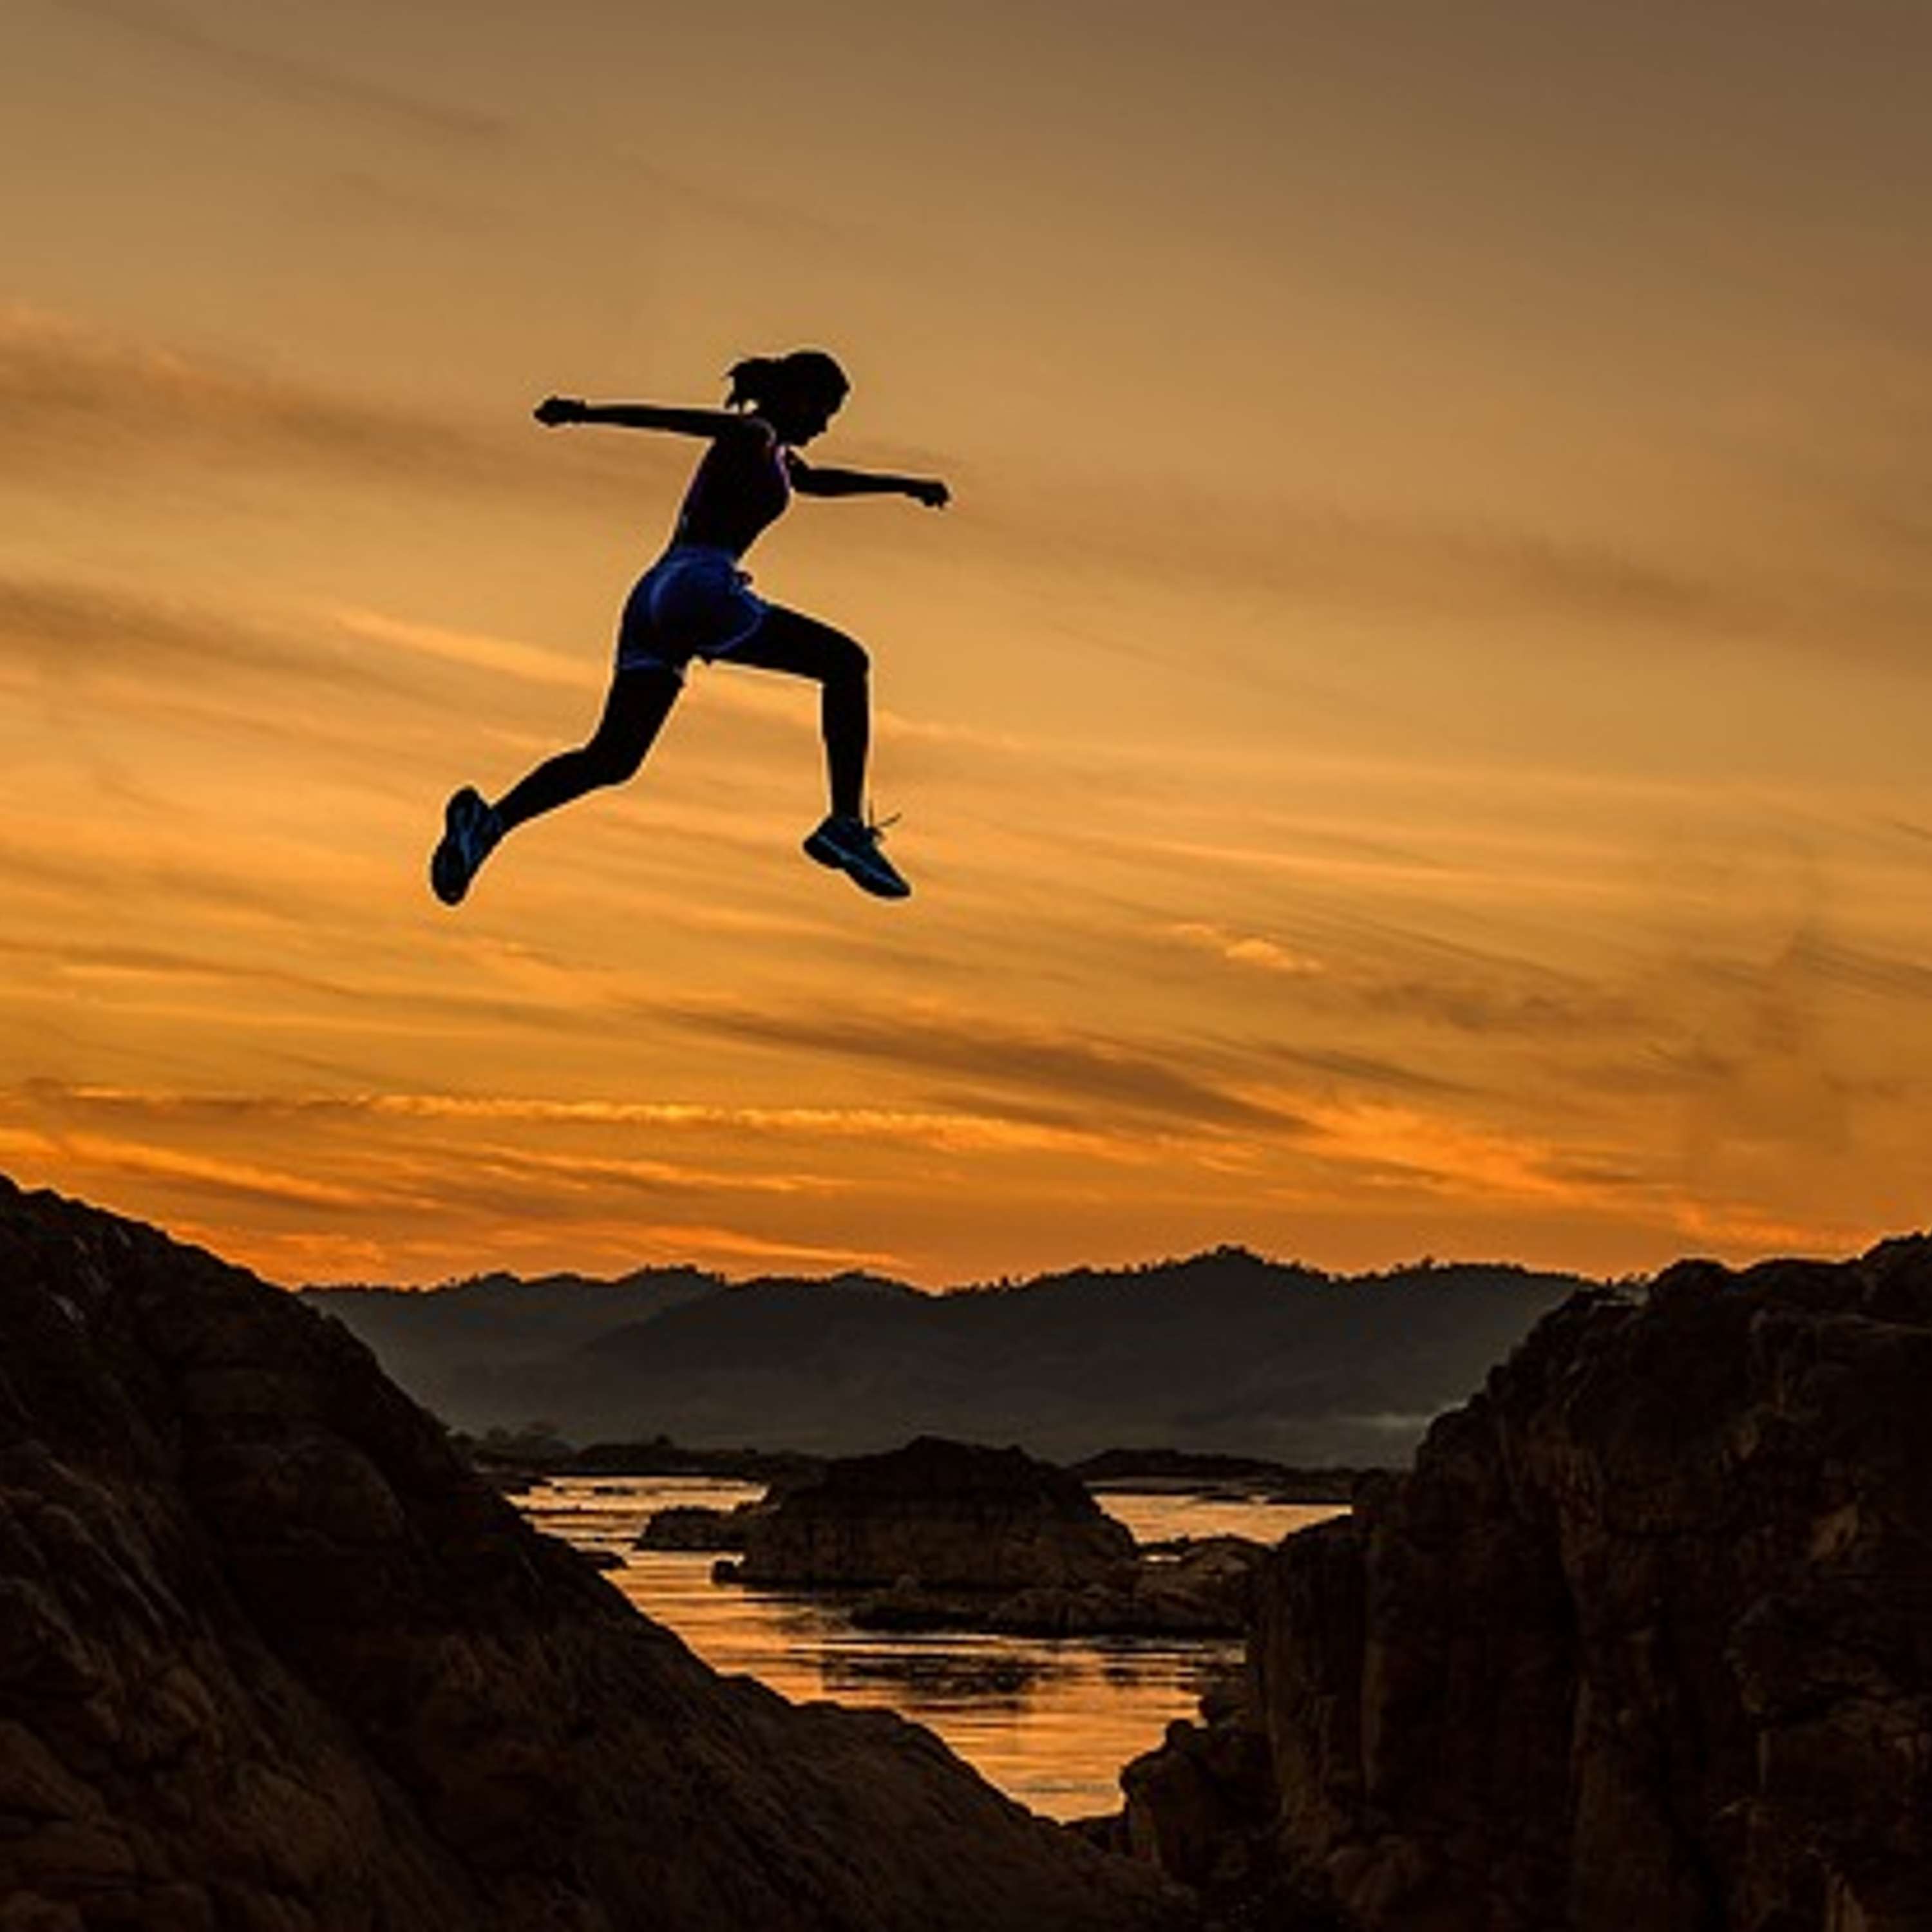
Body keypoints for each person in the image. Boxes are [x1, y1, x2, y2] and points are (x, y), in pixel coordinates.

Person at [430, 348, 948, 907]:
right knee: (846, 663)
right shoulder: (755, 432)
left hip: (654, 595)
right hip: (701, 585)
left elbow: (818, 482)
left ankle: (489, 825)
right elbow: (679, 421)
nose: (825, 425)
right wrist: (586, 413)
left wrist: (904, 484)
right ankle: (844, 823)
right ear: (798, 395)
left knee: (613, 757)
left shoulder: (777, 455)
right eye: (825, 410)